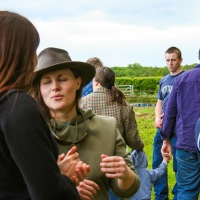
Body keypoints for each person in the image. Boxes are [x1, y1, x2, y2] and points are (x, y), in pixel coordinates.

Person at [30, 47, 140, 200]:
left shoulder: (106, 128)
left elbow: (127, 189)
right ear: (40, 89)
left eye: (62, 79)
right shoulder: (30, 134)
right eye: (47, 82)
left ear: (78, 82)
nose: (55, 87)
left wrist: (126, 174)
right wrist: (65, 190)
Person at [0, 11, 86, 199]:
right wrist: (63, 181)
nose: (34, 60)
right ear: (18, 54)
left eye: (62, 79)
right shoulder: (17, 106)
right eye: (32, 50)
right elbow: (48, 194)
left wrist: (51, 173)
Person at [161, 63, 200, 199]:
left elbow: (170, 111)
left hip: (187, 141)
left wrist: (166, 137)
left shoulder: (183, 78)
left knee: (187, 190)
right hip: (187, 143)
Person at [81, 66, 144, 150]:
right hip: (116, 157)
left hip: (88, 156)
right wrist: (140, 146)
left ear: (96, 83)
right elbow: (132, 139)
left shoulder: (81, 103)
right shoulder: (123, 105)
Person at [153, 46, 184, 200]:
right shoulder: (163, 80)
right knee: (158, 162)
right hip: (162, 127)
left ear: (180, 60)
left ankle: (179, 195)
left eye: (173, 60)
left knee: (180, 164)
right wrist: (157, 117)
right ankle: (161, 195)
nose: (170, 63)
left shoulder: (185, 78)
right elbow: (159, 102)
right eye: (168, 60)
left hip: (179, 128)